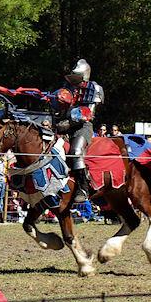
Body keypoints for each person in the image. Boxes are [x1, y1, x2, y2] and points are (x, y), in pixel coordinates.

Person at [51, 59, 104, 203]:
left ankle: (83, 188)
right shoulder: (67, 88)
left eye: (78, 78)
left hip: (82, 126)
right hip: (61, 124)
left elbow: (88, 113)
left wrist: (68, 123)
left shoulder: (95, 88)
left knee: (76, 152)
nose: (75, 82)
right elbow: (58, 106)